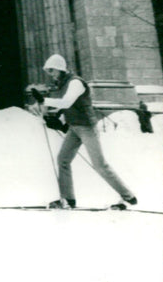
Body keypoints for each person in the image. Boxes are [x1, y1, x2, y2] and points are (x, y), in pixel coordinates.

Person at [40, 54, 136, 210]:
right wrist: (55, 118)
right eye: (48, 71)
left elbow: (66, 102)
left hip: (87, 128)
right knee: (63, 160)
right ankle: (67, 199)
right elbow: (66, 106)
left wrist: (45, 101)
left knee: (99, 165)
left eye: (52, 71)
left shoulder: (75, 82)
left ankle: (128, 196)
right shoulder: (63, 84)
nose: (50, 74)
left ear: (60, 69)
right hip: (74, 128)